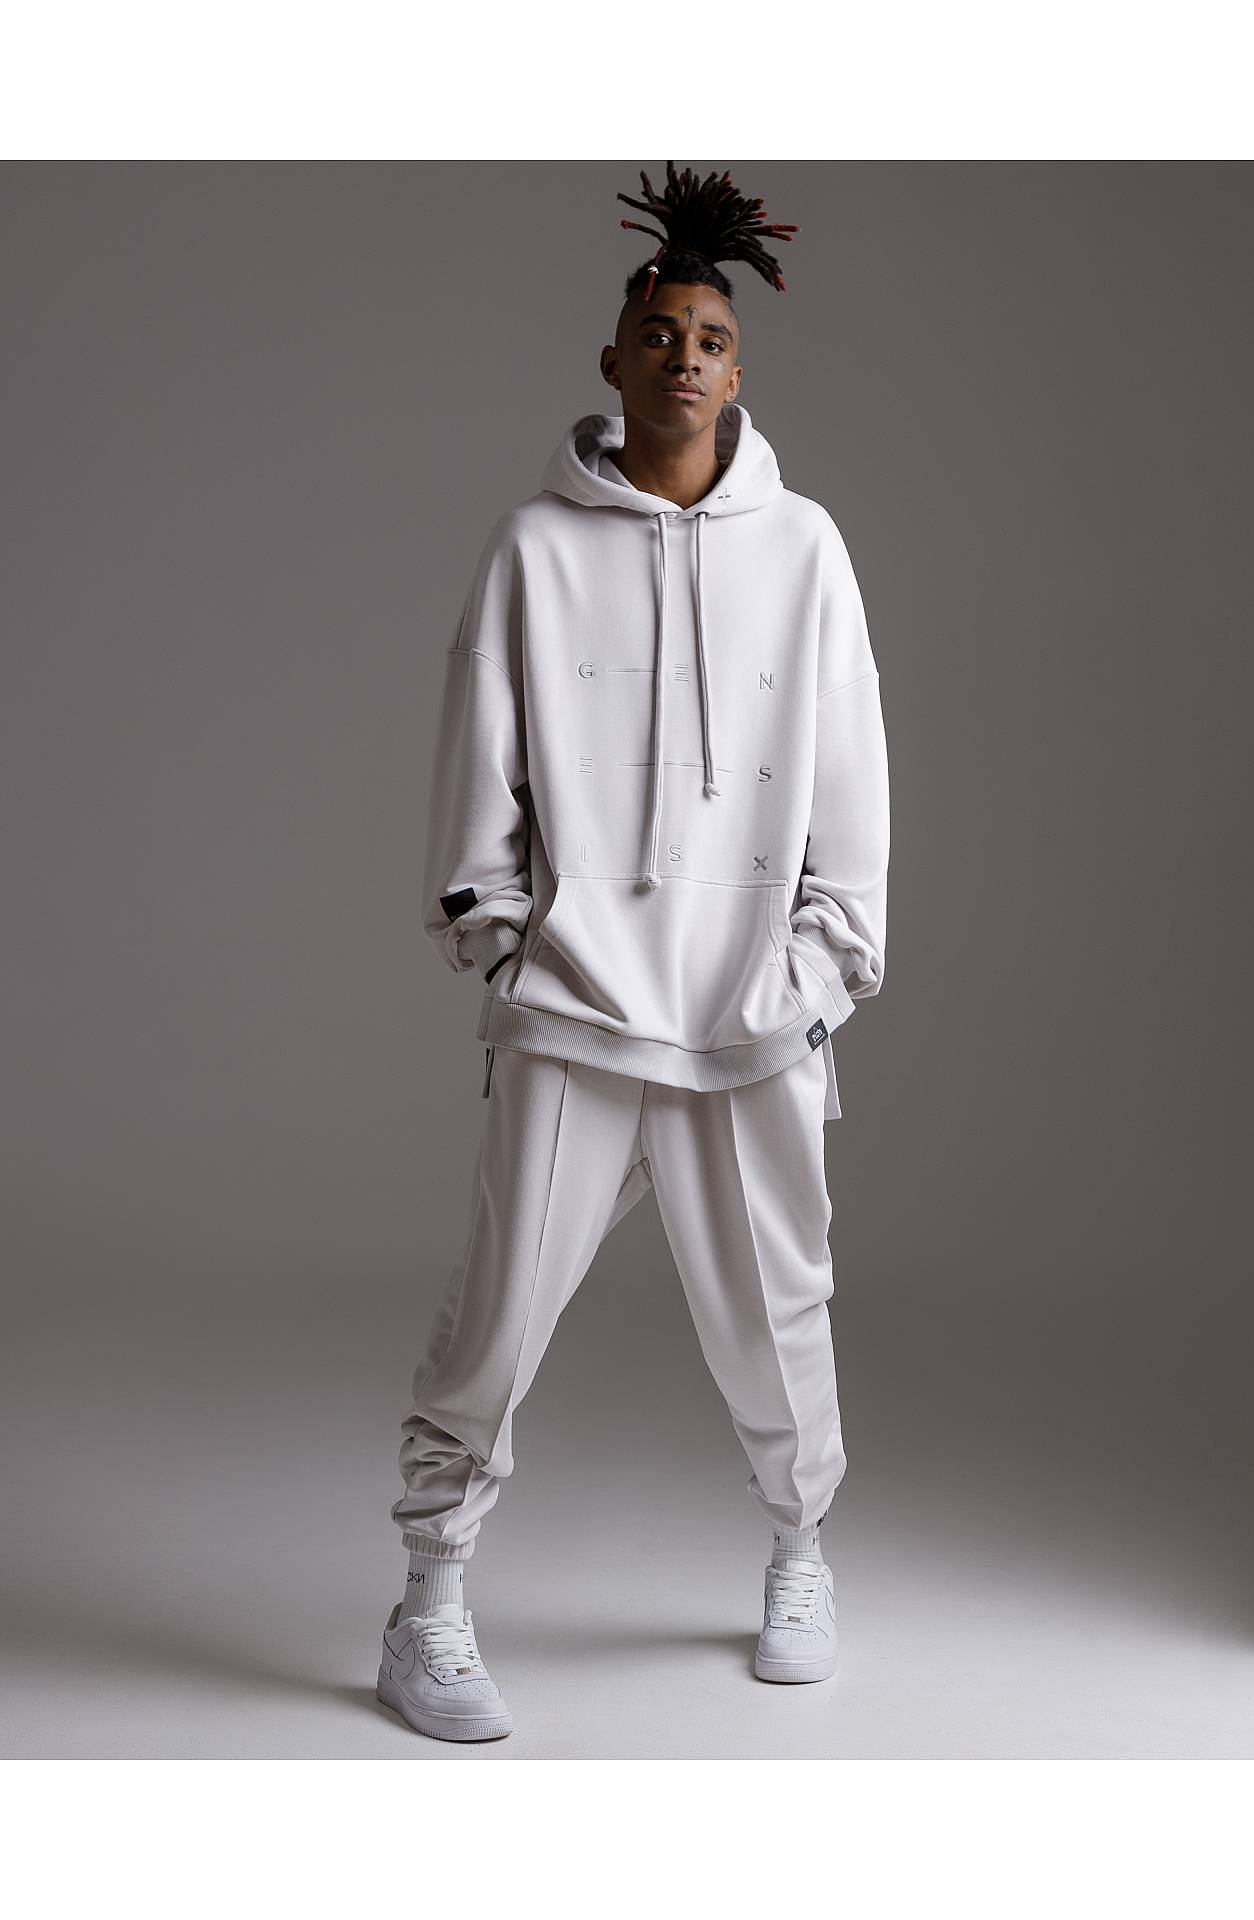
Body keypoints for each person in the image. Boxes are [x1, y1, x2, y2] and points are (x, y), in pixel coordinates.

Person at [377, 163, 891, 1742]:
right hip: (580, 1005)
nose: (684, 356)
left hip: (752, 1012)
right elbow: (477, 768)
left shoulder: (806, 549)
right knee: (496, 1316)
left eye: (712, 338)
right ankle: (430, 1599)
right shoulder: (532, 547)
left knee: (780, 1315)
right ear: (612, 358)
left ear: (741, 371)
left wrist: (820, 972)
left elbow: (853, 783)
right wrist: (504, 944)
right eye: (660, 332)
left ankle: (800, 1552)